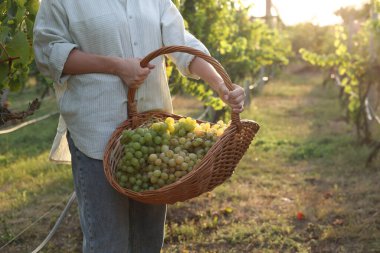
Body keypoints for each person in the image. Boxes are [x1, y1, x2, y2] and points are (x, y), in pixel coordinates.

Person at [33, 0, 245, 252]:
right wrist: (116, 66)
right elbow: (49, 52)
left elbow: (182, 43)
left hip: (152, 136)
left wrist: (220, 85)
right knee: (108, 244)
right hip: (96, 134)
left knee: (148, 241)